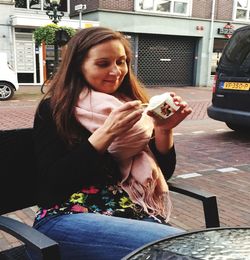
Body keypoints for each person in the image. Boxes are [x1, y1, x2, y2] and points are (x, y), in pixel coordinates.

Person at [31, 26, 192, 260]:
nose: (116, 71)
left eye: (122, 61)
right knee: (179, 249)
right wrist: (106, 133)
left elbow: (162, 174)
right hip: (65, 217)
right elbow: (54, 181)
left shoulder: (131, 105)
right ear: (78, 65)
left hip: (128, 213)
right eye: (103, 63)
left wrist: (163, 130)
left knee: (189, 249)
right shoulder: (55, 109)